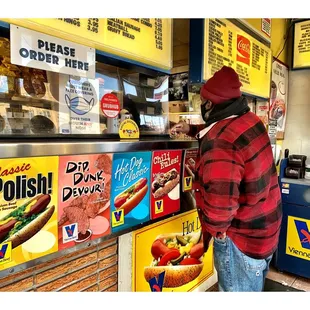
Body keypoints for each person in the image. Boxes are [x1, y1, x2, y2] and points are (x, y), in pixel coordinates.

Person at [171, 66, 282, 292]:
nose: (201, 105)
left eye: (202, 101)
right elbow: (225, 131)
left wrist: (213, 234)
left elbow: (220, 210)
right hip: (266, 231)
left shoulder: (220, 143)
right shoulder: (251, 120)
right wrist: (192, 129)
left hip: (241, 240)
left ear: (210, 104)